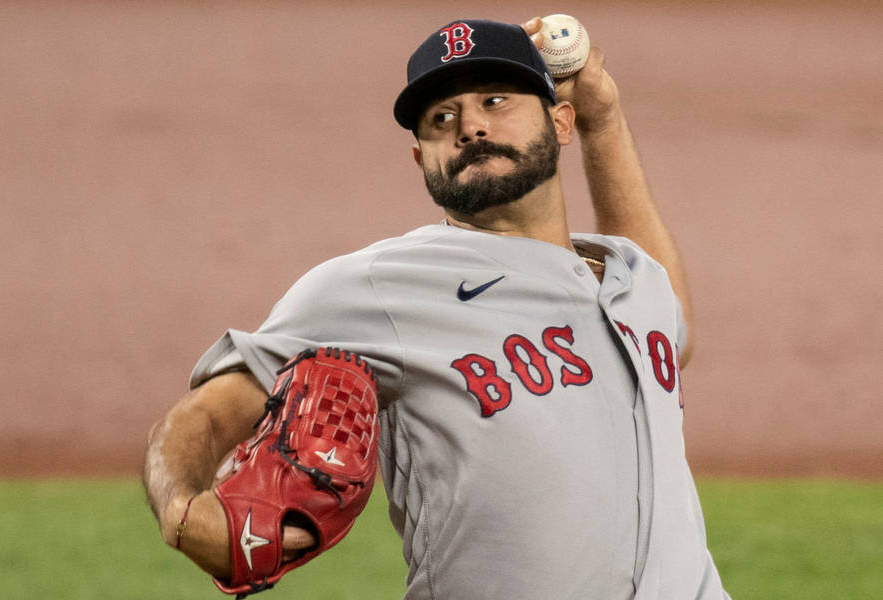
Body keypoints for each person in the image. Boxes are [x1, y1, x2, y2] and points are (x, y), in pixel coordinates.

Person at [144, 16, 730, 599]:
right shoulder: (379, 286)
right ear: (420, 157)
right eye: (441, 119)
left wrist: (605, 122)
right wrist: (181, 512)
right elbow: (207, 414)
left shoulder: (633, 277)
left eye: (495, 101)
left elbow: (670, 324)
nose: (470, 126)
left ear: (560, 122)